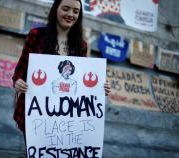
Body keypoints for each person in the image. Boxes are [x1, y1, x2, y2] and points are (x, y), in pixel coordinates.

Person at [12, 0, 111, 132]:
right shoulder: (36, 35)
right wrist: (18, 82)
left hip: (65, 117)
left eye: (76, 11)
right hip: (36, 113)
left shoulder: (81, 46)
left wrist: (99, 88)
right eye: (65, 9)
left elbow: (82, 82)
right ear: (55, 10)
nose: (70, 14)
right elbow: (21, 69)